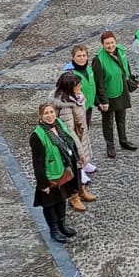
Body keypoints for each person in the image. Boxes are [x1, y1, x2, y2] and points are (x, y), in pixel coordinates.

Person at [30, 102, 81, 243]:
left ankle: (62, 225)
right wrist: (43, 184)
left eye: (51, 112)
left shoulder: (59, 124)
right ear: (40, 117)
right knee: (49, 204)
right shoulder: (37, 136)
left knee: (61, 200)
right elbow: (37, 162)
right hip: (50, 176)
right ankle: (54, 230)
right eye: (46, 113)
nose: (50, 115)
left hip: (63, 172)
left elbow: (69, 141)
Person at [92, 31, 137, 158]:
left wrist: (131, 80)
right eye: (107, 44)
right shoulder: (98, 60)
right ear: (102, 44)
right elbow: (99, 83)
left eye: (112, 43)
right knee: (108, 121)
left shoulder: (121, 51)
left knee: (121, 118)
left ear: (116, 42)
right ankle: (110, 144)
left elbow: (126, 67)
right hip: (108, 94)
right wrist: (103, 100)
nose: (110, 46)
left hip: (122, 90)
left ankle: (123, 140)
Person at [53, 72, 94, 210]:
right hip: (72, 142)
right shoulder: (65, 105)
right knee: (74, 170)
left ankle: (82, 191)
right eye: (78, 85)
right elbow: (69, 131)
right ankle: (74, 197)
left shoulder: (75, 98)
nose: (81, 86)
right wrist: (80, 150)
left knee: (79, 169)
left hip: (80, 135)